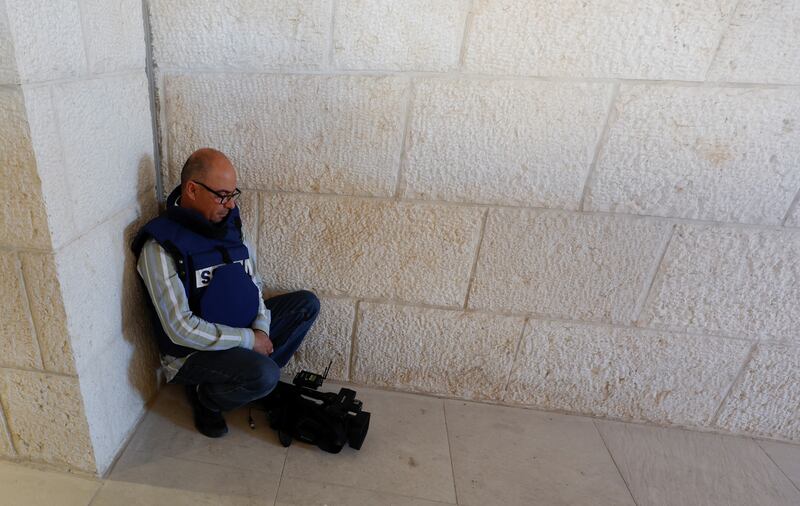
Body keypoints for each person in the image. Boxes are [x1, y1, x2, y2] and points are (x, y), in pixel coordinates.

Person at [132, 148, 319, 438]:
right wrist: (248, 340)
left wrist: (261, 330)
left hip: (241, 329)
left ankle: (248, 377)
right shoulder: (159, 246)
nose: (230, 205)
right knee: (265, 375)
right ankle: (207, 398)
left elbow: (253, 282)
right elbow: (179, 330)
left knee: (306, 304)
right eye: (222, 195)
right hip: (193, 353)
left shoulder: (230, 226)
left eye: (233, 195)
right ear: (192, 190)